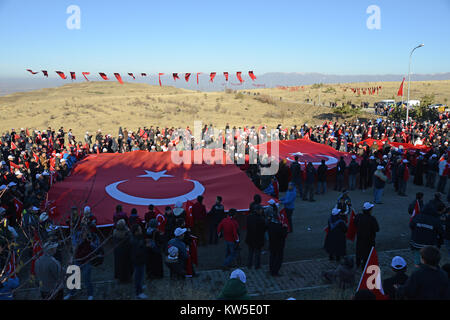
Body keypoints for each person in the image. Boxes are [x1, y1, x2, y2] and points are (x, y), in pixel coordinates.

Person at [354, 202, 379, 269]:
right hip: (369, 240)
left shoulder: (358, 217)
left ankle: (358, 264)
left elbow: (354, 223)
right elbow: (377, 229)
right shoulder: (372, 219)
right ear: (370, 210)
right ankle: (364, 266)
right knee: (367, 254)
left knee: (359, 251)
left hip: (360, 238)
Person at [245, 201, 267, 269]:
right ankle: (257, 266)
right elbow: (264, 229)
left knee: (250, 253)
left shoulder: (249, 217)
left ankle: (249, 265)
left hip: (250, 238)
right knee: (257, 253)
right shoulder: (261, 219)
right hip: (258, 239)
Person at [130, 224, 148, 299]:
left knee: (140, 276)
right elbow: (138, 252)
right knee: (138, 277)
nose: (141, 230)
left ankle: (140, 287)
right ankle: (138, 293)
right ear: (136, 232)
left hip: (141, 261)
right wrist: (145, 246)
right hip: (138, 261)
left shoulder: (137, 238)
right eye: (140, 229)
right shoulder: (134, 241)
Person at [268, 211, 288, 276]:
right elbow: (284, 235)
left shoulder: (270, 225)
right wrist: (285, 228)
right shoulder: (279, 227)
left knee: (272, 257)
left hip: (272, 243)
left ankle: (271, 269)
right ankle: (275, 271)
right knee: (278, 258)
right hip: (279, 245)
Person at [112, 219, 133, 283]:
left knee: (119, 265)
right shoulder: (127, 233)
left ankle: (120, 278)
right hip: (125, 251)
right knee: (126, 265)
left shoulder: (115, 232)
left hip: (118, 251)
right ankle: (127, 278)